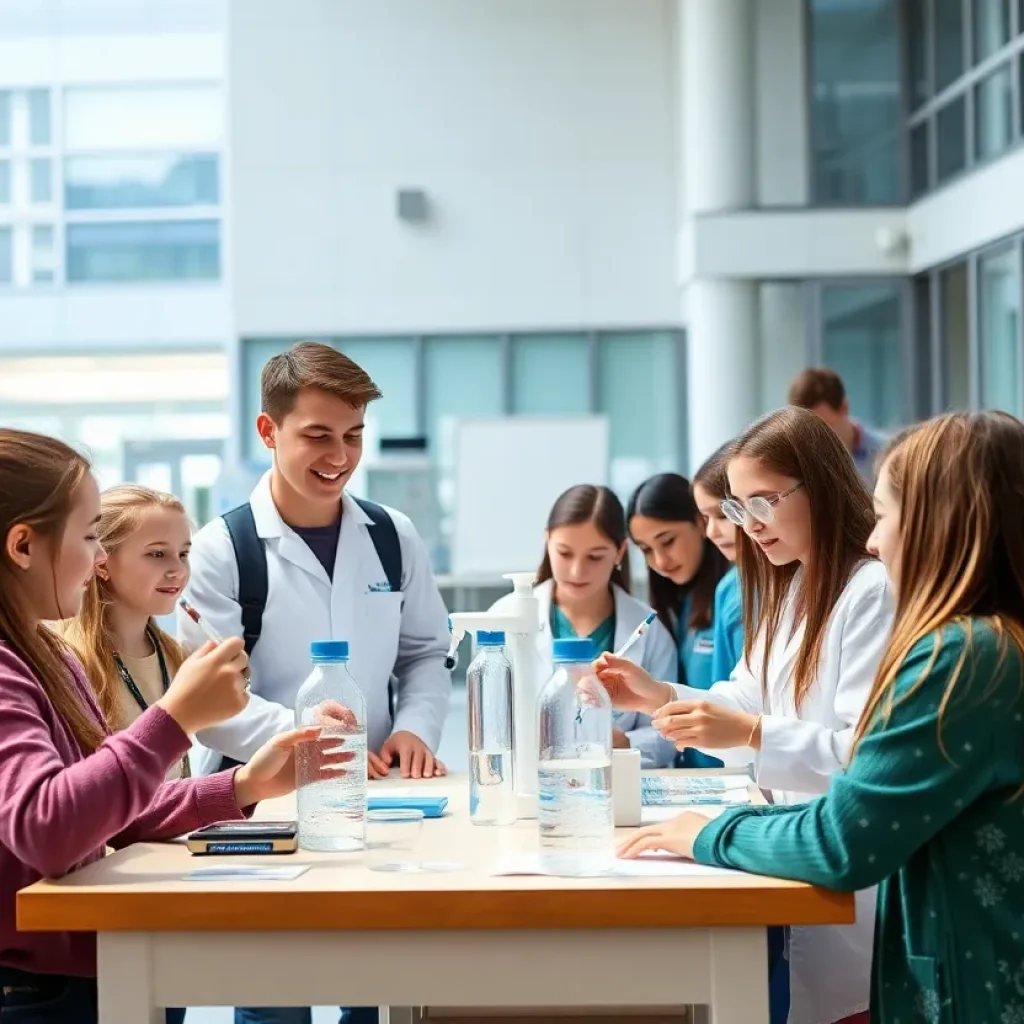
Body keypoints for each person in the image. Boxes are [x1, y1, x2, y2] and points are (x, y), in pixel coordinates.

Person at [618, 411, 1024, 1024]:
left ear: (944, 521)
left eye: (885, 514)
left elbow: (844, 830)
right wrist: (665, 699)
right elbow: (754, 700)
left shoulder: (961, 656)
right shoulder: (982, 644)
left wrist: (707, 831)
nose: (874, 539)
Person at [0, 429, 343, 1024]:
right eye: (87, 537)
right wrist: (175, 718)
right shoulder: (14, 668)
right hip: (36, 991)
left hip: (88, 968)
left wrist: (242, 788)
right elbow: (49, 828)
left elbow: (103, 812)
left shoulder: (43, 659)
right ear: (23, 546)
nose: (96, 558)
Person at [180, 342, 452, 1024]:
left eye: (354, 435)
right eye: (319, 436)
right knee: (274, 1000)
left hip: (381, 800)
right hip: (263, 804)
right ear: (268, 432)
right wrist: (307, 742)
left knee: (381, 994)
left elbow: (425, 652)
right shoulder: (222, 549)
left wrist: (417, 727)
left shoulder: (393, 535)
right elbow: (210, 705)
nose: (340, 456)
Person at [597, 406, 895, 1024]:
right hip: (797, 861)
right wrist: (656, 695)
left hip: (851, 879)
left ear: (822, 485)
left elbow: (862, 759)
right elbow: (741, 697)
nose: (747, 525)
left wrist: (753, 733)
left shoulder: (871, 592)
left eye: (763, 501)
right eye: (737, 506)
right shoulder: (794, 586)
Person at [491, 484, 676, 768]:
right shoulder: (506, 617)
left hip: (614, 787)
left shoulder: (649, 632)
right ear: (547, 541)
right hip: (529, 786)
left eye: (595, 557)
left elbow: (668, 733)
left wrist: (623, 743)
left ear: (620, 552)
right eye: (564, 553)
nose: (577, 571)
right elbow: (490, 727)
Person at [62, 485, 193, 779]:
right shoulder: (69, 665)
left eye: (183, 554)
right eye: (157, 554)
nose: (178, 570)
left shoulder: (177, 657)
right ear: (102, 562)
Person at [626, 472, 730, 769]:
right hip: (692, 778)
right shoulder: (676, 606)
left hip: (734, 779)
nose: (659, 561)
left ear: (701, 523)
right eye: (646, 549)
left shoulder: (735, 596)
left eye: (667, 541)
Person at [691, 444, 744, 685]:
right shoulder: (728, 590)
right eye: (705, 518)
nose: (711, 532)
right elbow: (721, 691)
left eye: (722, 516)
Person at [787, 367, 887, 486]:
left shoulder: (886, 454)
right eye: (807, 431)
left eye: (824, 426)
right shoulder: (795, 466)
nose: (815, 439)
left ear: (844, 408)